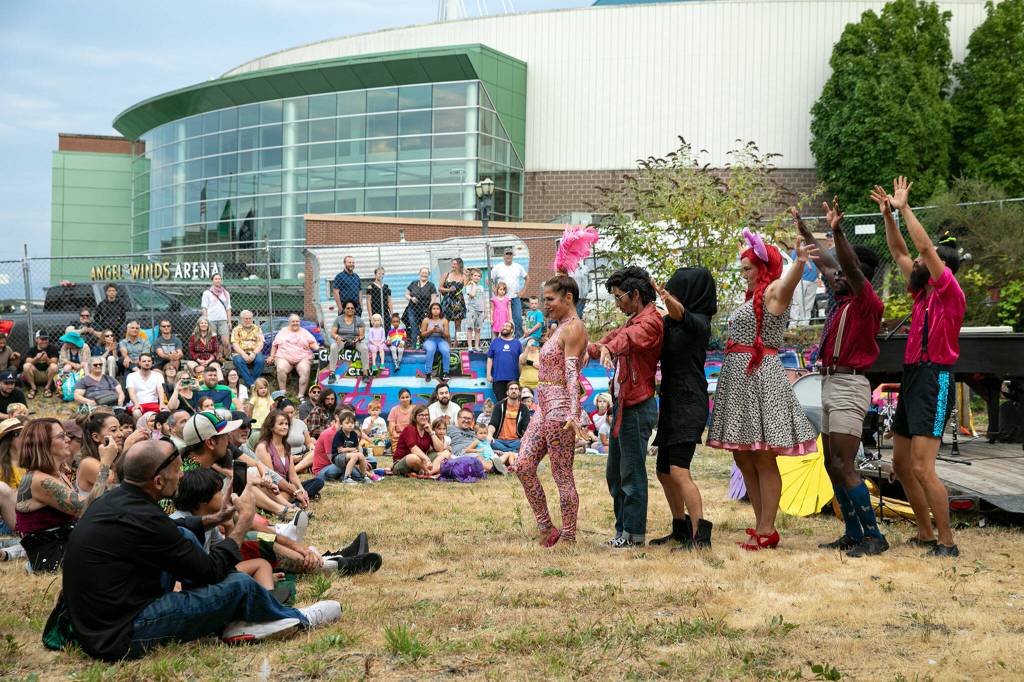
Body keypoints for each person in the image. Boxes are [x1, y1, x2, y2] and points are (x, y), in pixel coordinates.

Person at [52, 438, 341, 661]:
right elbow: (213, 570)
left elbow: (174, 531)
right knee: (239, 584)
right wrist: (240, 525)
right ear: (158, 481)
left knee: (185, 536)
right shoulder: (147, 518)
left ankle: (232, 615)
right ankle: (293, 618)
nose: (181, 477)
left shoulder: (116, 502)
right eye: (177, 472)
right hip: (123, 633)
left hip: (98, 624)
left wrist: (216, 519)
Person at [706, 230, 818, 551]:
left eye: (748, 268)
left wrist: (798, 262)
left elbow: (787, 286)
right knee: (743, 456)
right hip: (739, 379)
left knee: (764, 457)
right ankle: (760, 523)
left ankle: (768, 528)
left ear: (763, 268)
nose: (743, 274)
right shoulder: (751, 296)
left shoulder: (772, 292)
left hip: (761, 378)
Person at [791, 199, 889, 557]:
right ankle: (851, 531)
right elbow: (829, 262)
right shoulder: (845, 298)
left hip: (849, 385)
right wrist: (804, 228)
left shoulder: (866, 302)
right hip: (831, 382)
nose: (835, 278)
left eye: (844, 275)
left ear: (858, 275)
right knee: (832, 464)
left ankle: (874, 536)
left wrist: (837, 231)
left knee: (845, 465)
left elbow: (845, 264)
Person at [876, 177, 966, 557]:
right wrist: (888, 216)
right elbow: (899, 250)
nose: (914, 263)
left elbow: (924, 247)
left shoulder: (949, 293)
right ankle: (926, 534)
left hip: (935, 378)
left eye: (923, 262)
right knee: (900, 463)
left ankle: (947, 541)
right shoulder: (921, 292)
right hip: (913, 377)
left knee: (923, 467)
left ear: (939, 267)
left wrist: (905, 208)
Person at [587, 267, 664, 548]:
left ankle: (633, 535)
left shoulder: (651, 321)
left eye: (619, 298)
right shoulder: (633, 320)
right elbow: (610, 340)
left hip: (637, 407)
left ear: (635, 294)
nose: (617, 304)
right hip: (622, 406)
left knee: (632, 474)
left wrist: (609, 348)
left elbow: (626, 341)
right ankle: (622, 532)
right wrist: (589, 347)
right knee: (615, 473)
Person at [515, 273, 588, 548]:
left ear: (568, 298)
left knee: (562, 476)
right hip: (543, 405)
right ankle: (546, 526)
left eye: (549, 299)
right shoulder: (559, 327)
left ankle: (569, 535)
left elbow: (571, 374)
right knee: (523, 465)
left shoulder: (573, 327)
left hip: (559, 409)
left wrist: (573, 412)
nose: (544, 305)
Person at [648, 268, 717, 548]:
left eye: (676, 291)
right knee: (663, 471)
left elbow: (680, 314)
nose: (671, 297)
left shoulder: (699, 322)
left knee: (678, 469)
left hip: (689, 401)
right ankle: (680, 527)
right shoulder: (671, 323)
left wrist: (662, 294)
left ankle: (701, 534)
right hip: (671, 401)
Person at [16, 418, 118, 571]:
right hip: (52, 557)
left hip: (68, 546)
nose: (68, 439)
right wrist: (105, 463)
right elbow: (89, 509)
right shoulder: (38, 480)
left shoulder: (59, 474)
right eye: (61, 436)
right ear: (43, 444)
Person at [255, 409, 322, 505]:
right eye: (281, 424)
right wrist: (294, 491)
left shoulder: (286, 446)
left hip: (287, 487)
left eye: (286, 424)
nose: (285, 427)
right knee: (285, 495)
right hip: (272, 488)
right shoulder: (263, 447)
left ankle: (298, 498)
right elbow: (272, 477)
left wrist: (302, 490)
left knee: (318, 481)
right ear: (271, 427)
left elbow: (292, 475)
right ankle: (293, 500)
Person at [267, 315, 319, 398]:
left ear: (299, 322)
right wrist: (271, 356)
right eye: (293, 321)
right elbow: (275, 345)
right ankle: (283, 393)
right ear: (289, 322)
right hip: (284, 357)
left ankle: (300, 395)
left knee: (305, 370)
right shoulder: (282, 332)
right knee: (280, 368)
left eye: (297, 321)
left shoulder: (305, 332)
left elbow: (312, 343)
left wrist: (318, 348)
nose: (295, 323)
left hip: (302, 357)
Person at [391, 405, 450, 476]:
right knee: (413, 457)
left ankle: (429, 472)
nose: (424, 417)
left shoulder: (427, 430)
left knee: (446, 453)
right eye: (421, 415)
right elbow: (413, 449)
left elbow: (440, 449)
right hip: (403, 461)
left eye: (426, 415)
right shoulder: (410, 428)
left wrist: (431, 432)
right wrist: (427, 459)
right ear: (415, 416)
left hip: (422, 461)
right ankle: (428, 471)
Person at [75, 412, 122, 493]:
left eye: (120, 429)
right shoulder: (88, 463)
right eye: (114, 430)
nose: (121, 434)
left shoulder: (113, 459)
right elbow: (111, 482)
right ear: (96, 437)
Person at [490, 248, 528, 338]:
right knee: (502, 321)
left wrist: (523, 291)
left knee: (518, 319)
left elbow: (527, 278)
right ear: (504, 255)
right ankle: (503, 338)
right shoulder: (498, 267)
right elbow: (489, 279)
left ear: (512, 256)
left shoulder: (518, 266)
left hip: (514, 297)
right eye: (507, 254)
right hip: (502, 299)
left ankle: (519, 340)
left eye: (510, 254)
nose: (508, 256)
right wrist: (495, 290)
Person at [330, 411, 376, 484]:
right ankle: (347, 478)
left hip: (349, 455)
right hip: (337, 457)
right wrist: (351, 449)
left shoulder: (353, 434)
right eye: (347, 423)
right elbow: (340, 450)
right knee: (354, 456)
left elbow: (357, 448)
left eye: (352, 423)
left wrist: (360, 455)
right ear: (341, 424)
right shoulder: (339, 434)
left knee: (361, 455)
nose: (350, 425)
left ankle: (364, 476)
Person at [328, 301, 370, 377]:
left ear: (354, 310)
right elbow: (333, 333)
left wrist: (358, 339)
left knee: (364, 348)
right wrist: (337, 337)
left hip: (355, 341)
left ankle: (365, 372)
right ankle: (332, 372)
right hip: (342, 340)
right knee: (333, 347)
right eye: (348, 308)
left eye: (352, 308)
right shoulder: (338, 319)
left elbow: (362, 335)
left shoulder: (359, 320)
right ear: (344, 309)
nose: (350, 309)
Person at [488, 381, 530, 454]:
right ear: (507, 392)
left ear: (519, 392)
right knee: (489, 442)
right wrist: (489, 435)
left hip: (516, 441)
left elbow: (527, 427)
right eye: (511, 389)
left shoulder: (524, 408)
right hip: (499, 441)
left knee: (526, 443)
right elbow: (493, 423)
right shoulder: (499, 406)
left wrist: (525, 438)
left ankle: (504, 453)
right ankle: (512, 453)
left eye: (516, 389)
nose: (513, 391)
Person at [487, 322, 522, 403]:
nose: (504, 327)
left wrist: (521, 376)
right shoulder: (495, 342)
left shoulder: (517, 343)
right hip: (498, 378)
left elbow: (520, 361)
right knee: (502, 403)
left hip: (513, 379)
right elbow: (489, 358)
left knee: (514, 402)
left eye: (507, 326)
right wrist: (488, 374)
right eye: (503, 326)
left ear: (512, 330)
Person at [278, 399, 316, 473]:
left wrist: (312, 447)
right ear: (281, 412)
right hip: (285, 456)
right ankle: (300, 468)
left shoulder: (300, 423)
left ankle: (294, 470)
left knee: (315, 453)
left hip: (302, 456)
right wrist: (290, 458)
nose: (290, 415)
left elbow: (308, 442)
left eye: (292, 412)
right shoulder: (277, 425)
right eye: (287, 413)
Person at [230, 309, 266, 387]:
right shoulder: (236, 329)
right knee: (238, 361)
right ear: (241, 319)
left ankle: (250, 383)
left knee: (260, 361)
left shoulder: (257, 329)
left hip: (255, 352)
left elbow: (261, 343)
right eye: (246, 318)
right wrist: (243, 354)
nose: (248, 320)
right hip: (240, 353)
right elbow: (235, 344)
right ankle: (252, 385)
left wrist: (254, 353)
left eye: (250, 318)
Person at [404, 267, 437, 348]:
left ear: (428, 275)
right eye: (423, 272)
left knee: (425, 329)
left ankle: (426, 345)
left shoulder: (431, 285)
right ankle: (414, 346)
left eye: (426, 273)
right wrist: (411, 298)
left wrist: (430, 308)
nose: (424, 274)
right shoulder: (413, 283)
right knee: (414, 329)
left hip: (425, 310)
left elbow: (433, 297)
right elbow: (406, 295)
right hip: (412, 309)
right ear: (419, 273)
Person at [22, 330, 58, 399]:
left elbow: (55, 362)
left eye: (46, 339)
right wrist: (36, 358)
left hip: (48, 375)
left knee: (54, 366)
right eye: (42, 339)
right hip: (36, 375)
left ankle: (48, 387)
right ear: (36, 339)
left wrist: (47, 359)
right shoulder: (32, 350)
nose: (44, 341)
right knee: (26, 366)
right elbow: (27, 362)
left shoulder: (53, 348)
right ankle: (33, 388)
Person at [201, 273, 233, 353]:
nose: (218, 280)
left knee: (226, 342)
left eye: (219, 279)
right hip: (211, 320)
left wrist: (229, 321)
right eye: (216, 279)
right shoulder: (207, 293)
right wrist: (206, 321)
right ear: (212, 281)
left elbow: (228, 308)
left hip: (223, 320)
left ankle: (228, 357)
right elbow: (204, 308)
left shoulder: (226, 293)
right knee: (212, 342)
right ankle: (214, 358)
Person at [420, 302, 451, 382]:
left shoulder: (444, 320)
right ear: (430, 310)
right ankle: (428, 373)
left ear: (440, 310)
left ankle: (446, 372)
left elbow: (447, 334)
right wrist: (431, 331)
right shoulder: (426, 320)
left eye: (437, 309)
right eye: (434, 309)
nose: (436, 310)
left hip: (441, 339)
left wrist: (441, 331)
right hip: (430, 339)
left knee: (446, 350)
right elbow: (422, 334)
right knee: (430, 350)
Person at [439, 257, 467, 344]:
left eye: (455, 264)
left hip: (458, 302)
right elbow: (440, 288)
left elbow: (466, 289)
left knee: (457, 325)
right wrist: (448, 290)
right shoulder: (446, 275)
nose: (452, 266)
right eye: (452, 264)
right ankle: (447, 343)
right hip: (447, 301)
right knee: (445, 323)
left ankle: (456, 344)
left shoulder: (463, 276)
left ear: (459, 265)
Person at [463, 268, 488, 352]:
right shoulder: (468, 286)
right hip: (472, 310)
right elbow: (472, 294)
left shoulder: (481, 287)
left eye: (478, 276)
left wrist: (485, 311)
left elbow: (483, 299)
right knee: (470, 328)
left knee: (478, 329)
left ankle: (477, 346)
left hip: (480, 310)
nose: (477, 277)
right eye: (475, 275)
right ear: (471, 277)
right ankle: (470, 347)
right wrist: (473, 284)